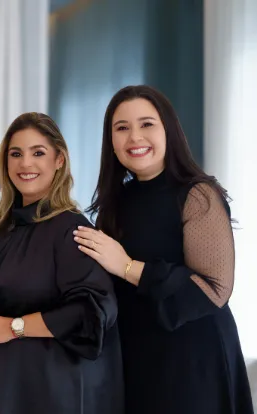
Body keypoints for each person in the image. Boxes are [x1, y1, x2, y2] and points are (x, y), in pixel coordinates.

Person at [74, 85, 253, 413]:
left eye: (147, 124)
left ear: (168, 130)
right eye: (122, 128)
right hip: (137, 359)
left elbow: (213, 289)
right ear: (110, 141)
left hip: (194, 362)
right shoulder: (115, 203)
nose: (134, 137)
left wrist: (127, 267)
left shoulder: (198, 195)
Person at [0, 112, 123, 414]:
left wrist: (14, 327)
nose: (25, 164)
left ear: (59, 160)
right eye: (16, 154)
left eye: (38, 153)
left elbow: (91, 313)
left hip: (45, 393)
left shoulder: (72, 231)